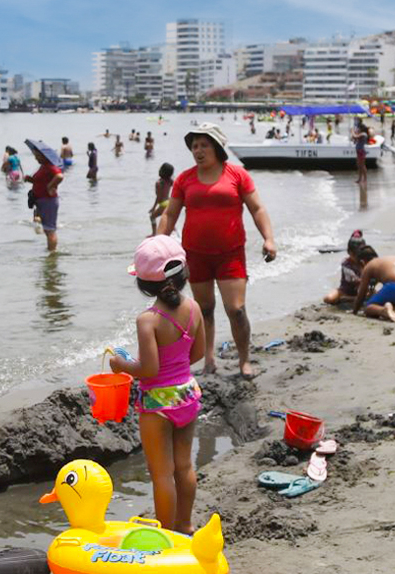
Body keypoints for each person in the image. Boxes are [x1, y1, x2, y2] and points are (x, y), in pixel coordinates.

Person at [157, 124, 276, 378]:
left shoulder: (237, 175)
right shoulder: (184, 179)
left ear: (218, 148)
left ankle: (244, 360)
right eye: (194, 146)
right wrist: (158, 245)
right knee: (205, 308)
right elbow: (170, 214)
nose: (198, 151)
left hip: (230, 254)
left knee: (236, 309)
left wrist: (269, 239)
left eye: (204, 145)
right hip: (195, 254)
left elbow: (257, 209)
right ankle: (208, 359)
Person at [108, 236, 204, 534]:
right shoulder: (194, 308)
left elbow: (149, 369)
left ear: (143, 285)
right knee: (184, 467)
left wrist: (120, 366)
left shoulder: (147, 320)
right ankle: (185, 526)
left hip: (158, 404)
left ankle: (165, 535)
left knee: (162, 475)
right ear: (184, 276)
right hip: (187, 395)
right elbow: (197, 354)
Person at [352, 246, 395, 323]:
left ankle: (384, 310)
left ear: (362, 262)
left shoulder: (368, 266)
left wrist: (354, 311)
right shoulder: (388, 259)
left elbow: (361, 295)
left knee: (368, 307)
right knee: (394, 296)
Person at [25, 150, 64, 252]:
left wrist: (50, 186)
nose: (36, 158)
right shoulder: (43, 166)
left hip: (48, 200)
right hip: (42, 200)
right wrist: (30, 179)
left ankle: (52, 254)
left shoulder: (50, 166)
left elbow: (59, 176)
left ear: (44, 156)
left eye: (38, 156)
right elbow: (40, 181)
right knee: (47, 230)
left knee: (50, 230)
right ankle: (50, 251)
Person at [325, 231, 370, 301]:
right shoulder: (346, 264)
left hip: (362, 290)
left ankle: (351, 299)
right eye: (355, 255)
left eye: (360, 254)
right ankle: (351, 298)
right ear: (349, 252)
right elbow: (356, 279)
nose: (357, 257)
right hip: (345, 291)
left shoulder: (365, 261)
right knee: (328, 298)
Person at [149, 163, 175, 236]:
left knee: (152, 217)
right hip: (169, 202)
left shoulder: (159, 183)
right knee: (168, 219)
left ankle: (154, 233)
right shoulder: (170, 181)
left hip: (163, 204)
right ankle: (174, 232)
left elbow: (158, 197)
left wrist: (153, 207)